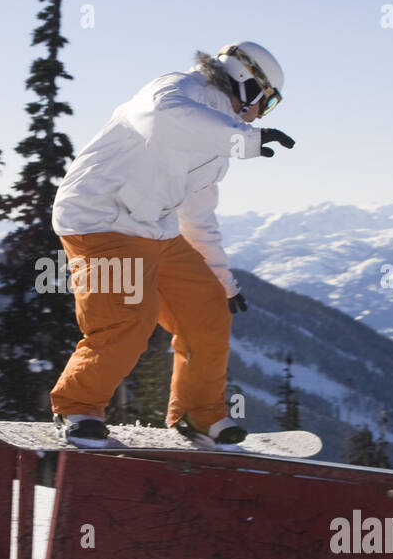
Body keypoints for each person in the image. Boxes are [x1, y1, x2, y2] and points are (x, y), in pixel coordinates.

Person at [48, 41, 295, 447]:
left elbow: (196, 217)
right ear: (247, 83)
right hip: (100, 218)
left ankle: (199, 414)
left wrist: (224, 281)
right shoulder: (176, 90)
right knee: (128, 318)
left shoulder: (218, 141)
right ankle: (78, 406)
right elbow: (164, 117)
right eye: (265, 104)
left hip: (155, 229)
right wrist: (244, 137)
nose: (258, 114)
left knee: (208, 311)